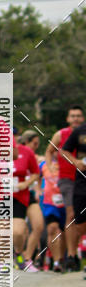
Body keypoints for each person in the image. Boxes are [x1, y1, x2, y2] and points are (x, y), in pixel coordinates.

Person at [45, 105, 84, 271]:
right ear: (68, 119)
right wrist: (50, 167)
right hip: (67, 179)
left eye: (78, 116)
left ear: (82, 118)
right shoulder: (60, 134)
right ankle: (71, 255)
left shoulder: (83, 132)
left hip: (82, 178)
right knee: (71, 214)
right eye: (72, 116)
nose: (75, 119)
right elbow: (49, 151)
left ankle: (75, 252)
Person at [60, 118, 86, 275]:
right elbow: (64, 151)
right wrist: (76, 161)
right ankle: (74, 253)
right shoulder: (80, 131)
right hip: (82, 182)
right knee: (80, 222)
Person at [13, 133, 41, 271]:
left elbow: (36, 174)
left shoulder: (28, 153)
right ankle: (11, 257)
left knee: (38, 225)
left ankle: (27, 257)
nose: (36, 147)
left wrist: (27, 184)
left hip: (26, 193)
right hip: (6, 195)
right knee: (17, 231)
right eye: (34, 143)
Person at [39, 155, 66, 272]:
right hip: (49, 202)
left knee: (65, 231)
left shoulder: (68, 163)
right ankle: (56, 262)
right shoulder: (43, 164)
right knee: (52, 228)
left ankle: (63, 258)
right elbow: (36, 176)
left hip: (66, 201)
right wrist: (38, 190)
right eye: (54, 150)